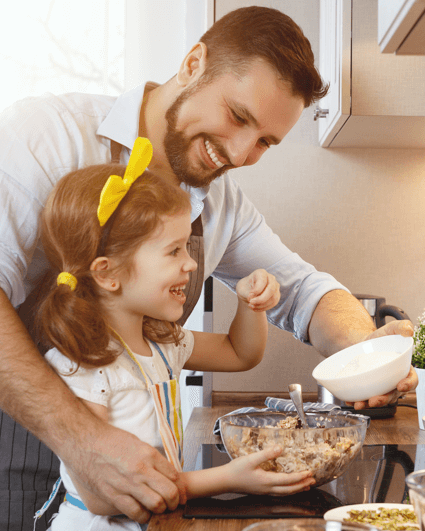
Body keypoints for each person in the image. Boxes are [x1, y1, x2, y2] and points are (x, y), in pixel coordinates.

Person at [0, 5, 416, 529]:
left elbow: (302, 290)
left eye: (265, 141)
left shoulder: (220, 207)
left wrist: (365, 355)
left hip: (143, 477)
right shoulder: (46, 135)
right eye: (239, 116)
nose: (242, 153)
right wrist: (82, 438)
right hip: (18, 443)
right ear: (195, 62)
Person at [33, 137, 315, 530]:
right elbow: (101, 495)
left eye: (188, 248)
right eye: (173, 251)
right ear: (107, 273)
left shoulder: (163, 343)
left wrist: (251, 305)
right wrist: (225, 479)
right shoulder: (82, 362)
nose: (190, 265)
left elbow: (240, 353)